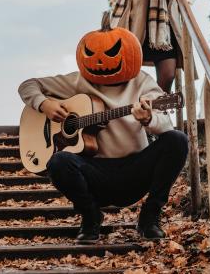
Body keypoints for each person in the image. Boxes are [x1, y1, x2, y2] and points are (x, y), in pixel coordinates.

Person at [18, 13, 188, 244]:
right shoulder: (78, 81)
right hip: (94, 172)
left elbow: (164, 126)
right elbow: (28, 85)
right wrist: (45, 104)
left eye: (111, 53)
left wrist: (148, 119)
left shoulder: (142, 82)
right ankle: (90, 216)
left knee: (177, 140)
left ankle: (150, 216)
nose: (100, 61)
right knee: (58, 162)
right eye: (91, 54)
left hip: (134, 170)